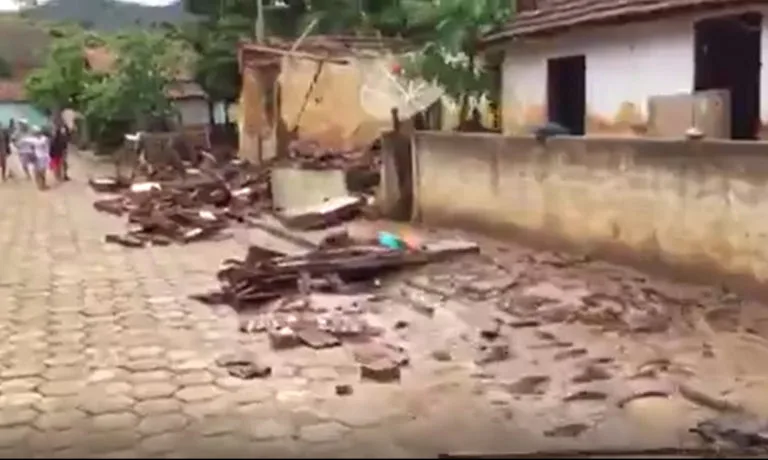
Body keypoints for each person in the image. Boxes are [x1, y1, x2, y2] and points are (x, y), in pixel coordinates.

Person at [49, 117, 70, 182]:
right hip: (59, 149)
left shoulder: (64, 129)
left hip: (62, 149)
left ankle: (62, 175)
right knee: (59, 163)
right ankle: (60, 175)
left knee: (62, 162)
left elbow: (67, 137)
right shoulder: (57, 132)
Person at [28, 126, 49, 190]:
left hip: (43, 157)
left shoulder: (44, 139)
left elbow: (47, 148)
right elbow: (30, 148)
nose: (36, 133)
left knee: (43, 171)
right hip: (36, 157)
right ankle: (39, 185)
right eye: (35, 132)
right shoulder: (31, 140)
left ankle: (43, 184)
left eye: (37, 132)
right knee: (36, 172)